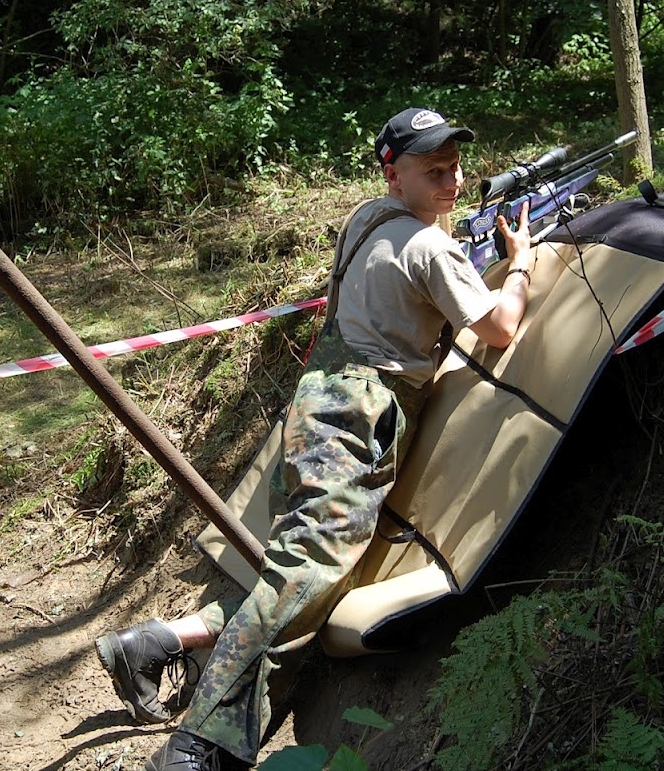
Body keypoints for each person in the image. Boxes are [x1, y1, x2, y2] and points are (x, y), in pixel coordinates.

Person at [95, 108, 536, 771]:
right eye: (434, 171)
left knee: (304, 577)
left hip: (318, 404)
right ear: (394, 174)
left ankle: (159, 642)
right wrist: (520, 264)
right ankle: (196, 749)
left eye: (455, 167)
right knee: (307, 574)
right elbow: (500, 327)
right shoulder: (428, 247)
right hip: (357, 417)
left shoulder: (369, 218)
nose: (452, 181)